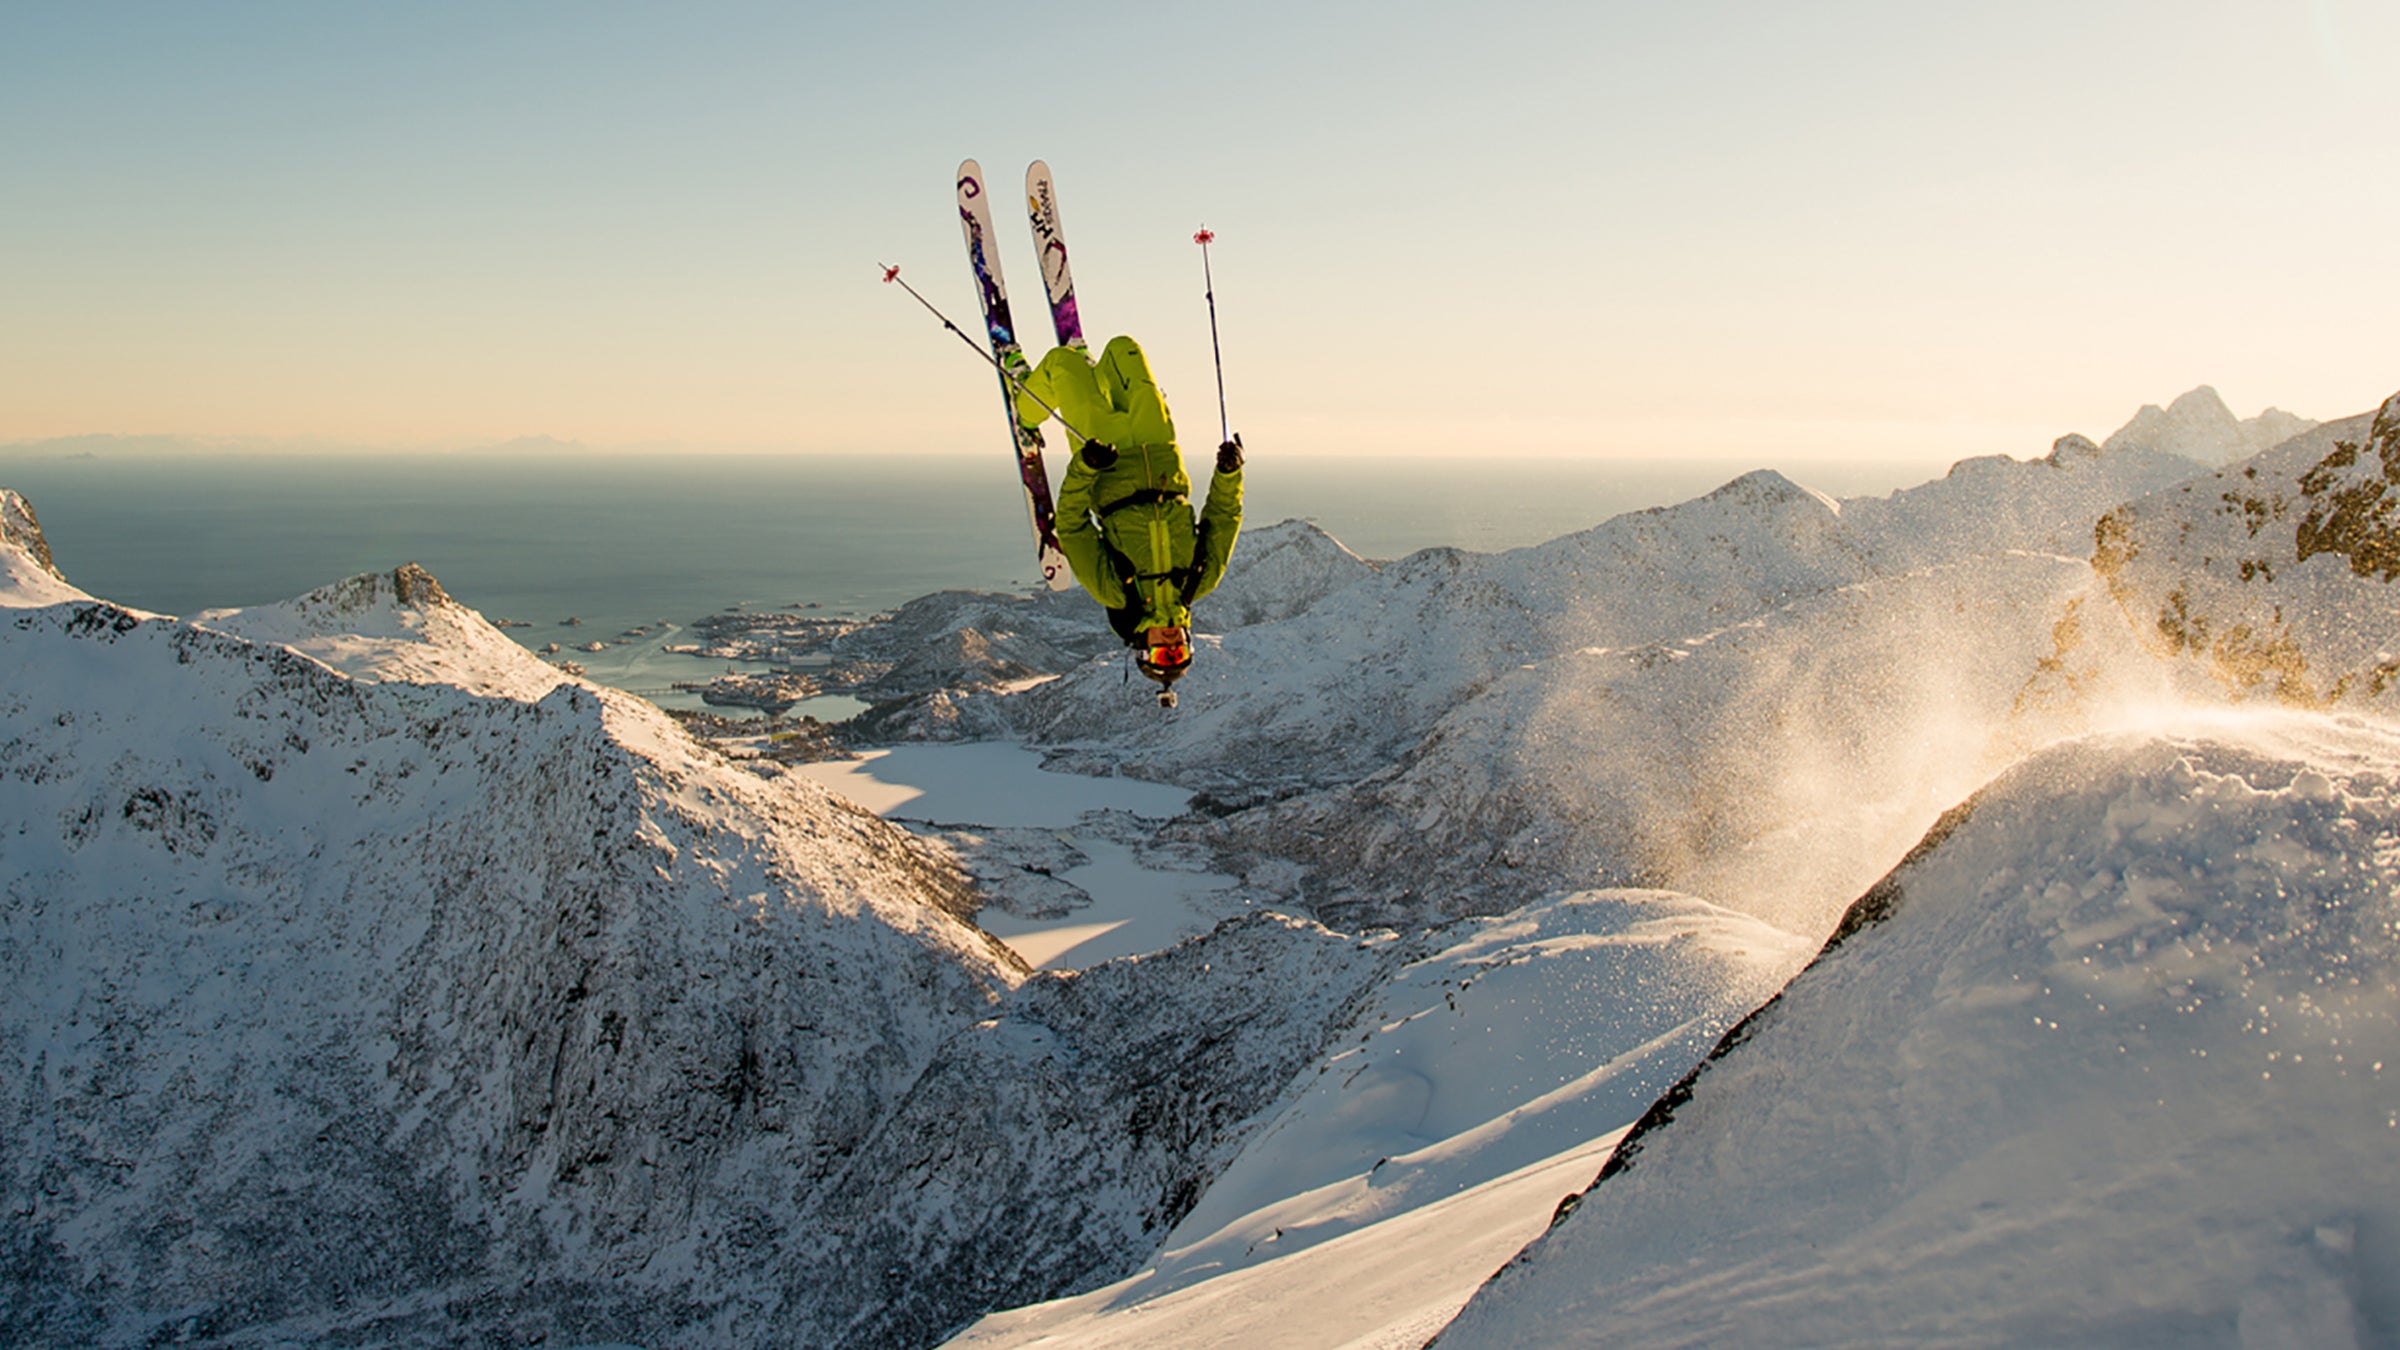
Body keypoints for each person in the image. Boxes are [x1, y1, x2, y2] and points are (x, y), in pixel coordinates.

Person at [1013, 335, 1243, 705]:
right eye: (1180, 652)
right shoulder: (1200, 580)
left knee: (1061, 364)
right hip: (1159, 447)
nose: (1172, 646)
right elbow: (1223, 516)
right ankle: (1094, 372)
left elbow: (1071, 524)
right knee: (1124, 349)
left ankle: (1025, 410)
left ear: (1142, 648)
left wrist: (1087, 467)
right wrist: (1230, 474)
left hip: (1109, 459)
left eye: (1163, 655)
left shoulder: (1116, 592)